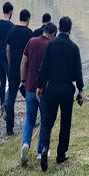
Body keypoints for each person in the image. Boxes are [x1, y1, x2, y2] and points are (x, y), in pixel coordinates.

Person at [36, 16, 85, 171]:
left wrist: (39, 86)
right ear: (70, 29)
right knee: (65, 121)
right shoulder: (74, 48)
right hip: (66, 89)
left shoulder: (51, 45)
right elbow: (78, 72)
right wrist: (80, 90)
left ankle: (44, 147)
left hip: (51, 87)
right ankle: (61, 154)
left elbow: (44, 67)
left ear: (59, 28)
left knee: (47, 120)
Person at [19, 22, 57, 166]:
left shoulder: (31, 41)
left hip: (29, 87)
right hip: (44, 90)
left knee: (29, 119)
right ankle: (40, 151)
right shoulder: (51, 46)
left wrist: (23, 80)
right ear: (53, 34)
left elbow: (23, 62)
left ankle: (25, 144)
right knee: (44, 121)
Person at [4, 9, 33, 136]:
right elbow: (31, 53)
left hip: (13, 70)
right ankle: (31, 121)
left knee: (11, 98)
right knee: (29, 97)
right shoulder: (30, 33)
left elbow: (7, 49)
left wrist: (10, 64)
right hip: (25, 71)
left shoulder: (12, 31)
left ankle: (9, 128)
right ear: (28, 19)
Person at [0, 2, 14, 112]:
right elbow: (12, 46)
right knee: (11, 82)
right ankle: (7, 104)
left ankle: (1, 105)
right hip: (8, 59)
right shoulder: (12, 27)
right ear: (10, 12)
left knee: (2, 82)